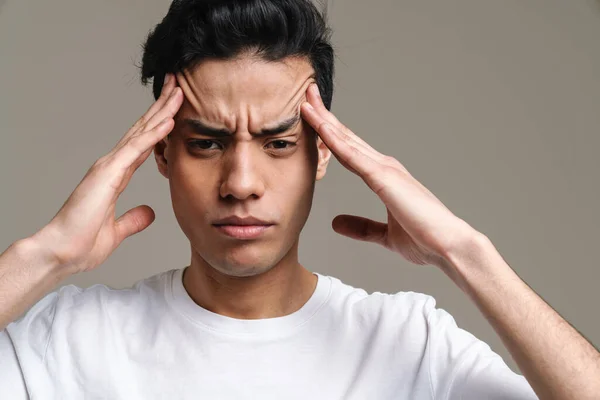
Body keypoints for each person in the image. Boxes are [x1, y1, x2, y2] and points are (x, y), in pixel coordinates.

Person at [1, 0, 598, 398]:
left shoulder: (409, 345)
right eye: (206, 144)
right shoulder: (69, 342)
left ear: (323, 152)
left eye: (279, 142)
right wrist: (45, 256)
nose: (241, 182)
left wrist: (466, 253)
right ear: (159, 154)